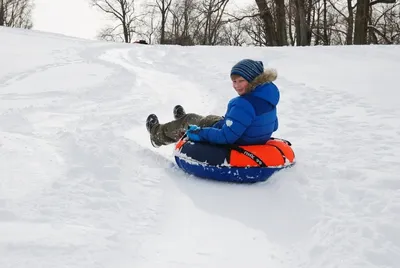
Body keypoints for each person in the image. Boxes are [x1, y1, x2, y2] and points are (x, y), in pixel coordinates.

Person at [146, 59, 280, 148]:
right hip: (241, 133)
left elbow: (225, 137)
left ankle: (157, 135)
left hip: (231, 139)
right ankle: (182, 120)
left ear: (252, 80)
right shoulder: (268, 98)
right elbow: (274, 126)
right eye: (234, 81)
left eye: (241, 81)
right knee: (208, 119)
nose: (237, 86)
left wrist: (198, 133)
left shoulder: (243, 104)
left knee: (189, 121)